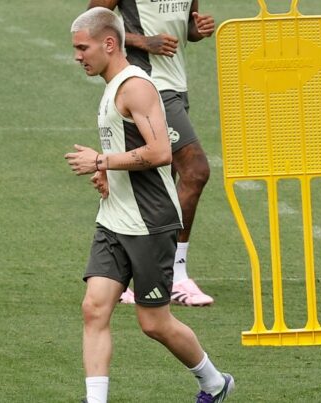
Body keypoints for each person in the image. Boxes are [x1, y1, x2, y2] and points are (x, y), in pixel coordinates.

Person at [65, 8, 234, 403]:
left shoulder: (136, 87)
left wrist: (101, 162)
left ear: (109, 43)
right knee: (94, 309)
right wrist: (109, 172)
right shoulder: (111, 84)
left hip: (149, 222)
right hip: (113, 220)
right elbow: (126, 143)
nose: (77, 56)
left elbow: (160, 151)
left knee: (154, 323)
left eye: (82, 47)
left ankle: (215, 382)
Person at [87, 0, 216, 306]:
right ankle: (176, 274)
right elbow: (92, 23)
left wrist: (196, 31)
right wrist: (142, 42)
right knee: (196, 171)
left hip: (177, 84)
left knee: (155, 184)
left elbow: (186, 28)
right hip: (147, 84)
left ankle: (128, 276)